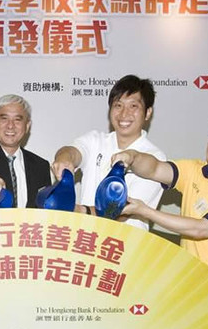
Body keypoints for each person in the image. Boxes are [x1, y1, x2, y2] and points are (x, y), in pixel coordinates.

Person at [114, 106, 208, 305]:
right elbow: (155, 168)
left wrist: (144, 211)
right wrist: (132, 156)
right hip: (191, 295)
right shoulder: (195, 171)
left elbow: (201, 229)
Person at [51, 74, 166, 230]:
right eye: (118, 105)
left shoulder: (155, 159)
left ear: (147, 112)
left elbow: (122, 210)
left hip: (125, 247)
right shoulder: (95, 140)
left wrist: (78, 210)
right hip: (83, 242)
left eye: (133, 106)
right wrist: (64, 159)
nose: (124, 114)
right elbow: (72, 151)